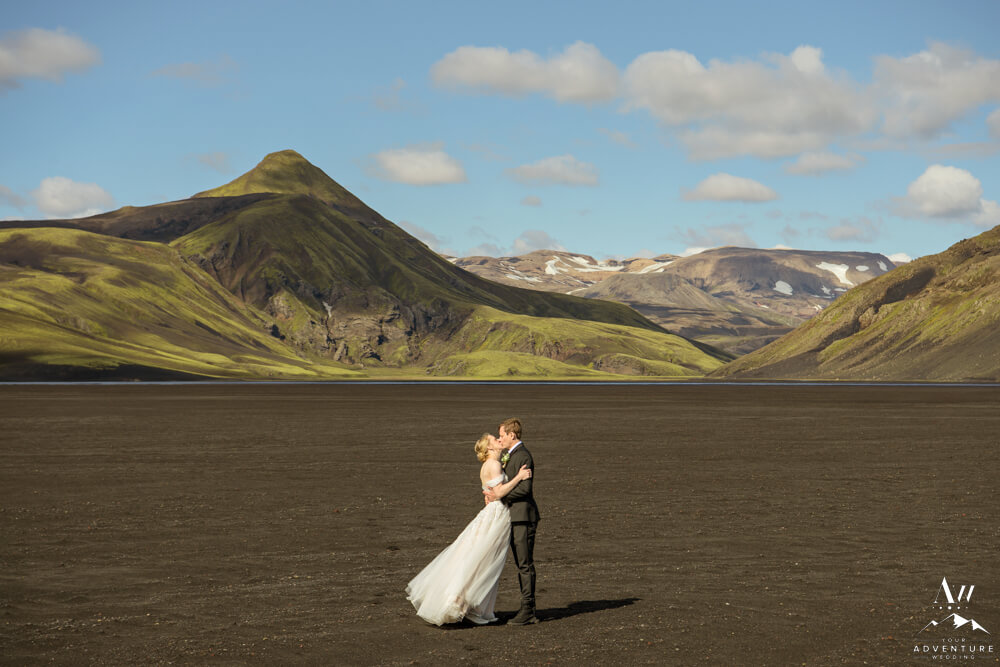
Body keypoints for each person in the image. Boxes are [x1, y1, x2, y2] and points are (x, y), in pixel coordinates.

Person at [405, 433, 531, 626]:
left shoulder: (488, 465)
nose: (499, 440)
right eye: (494, 439)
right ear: (489, 447)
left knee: (474, 556)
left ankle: (464, 604)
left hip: (491, 512)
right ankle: (462, 604)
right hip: (497, 515)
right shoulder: (494, 464)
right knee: (483, 560)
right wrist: (519, 478)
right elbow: (498, 492)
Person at [483, 417, 540, 625]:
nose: (500, 439)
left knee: (524, 564)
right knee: (520, 563)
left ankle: (528, 610)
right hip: (514, 516)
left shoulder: (523, 455)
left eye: (502, 435)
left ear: (512, 435)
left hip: (523, 517)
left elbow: (525, 489)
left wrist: (499, 497)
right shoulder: (511, 455)